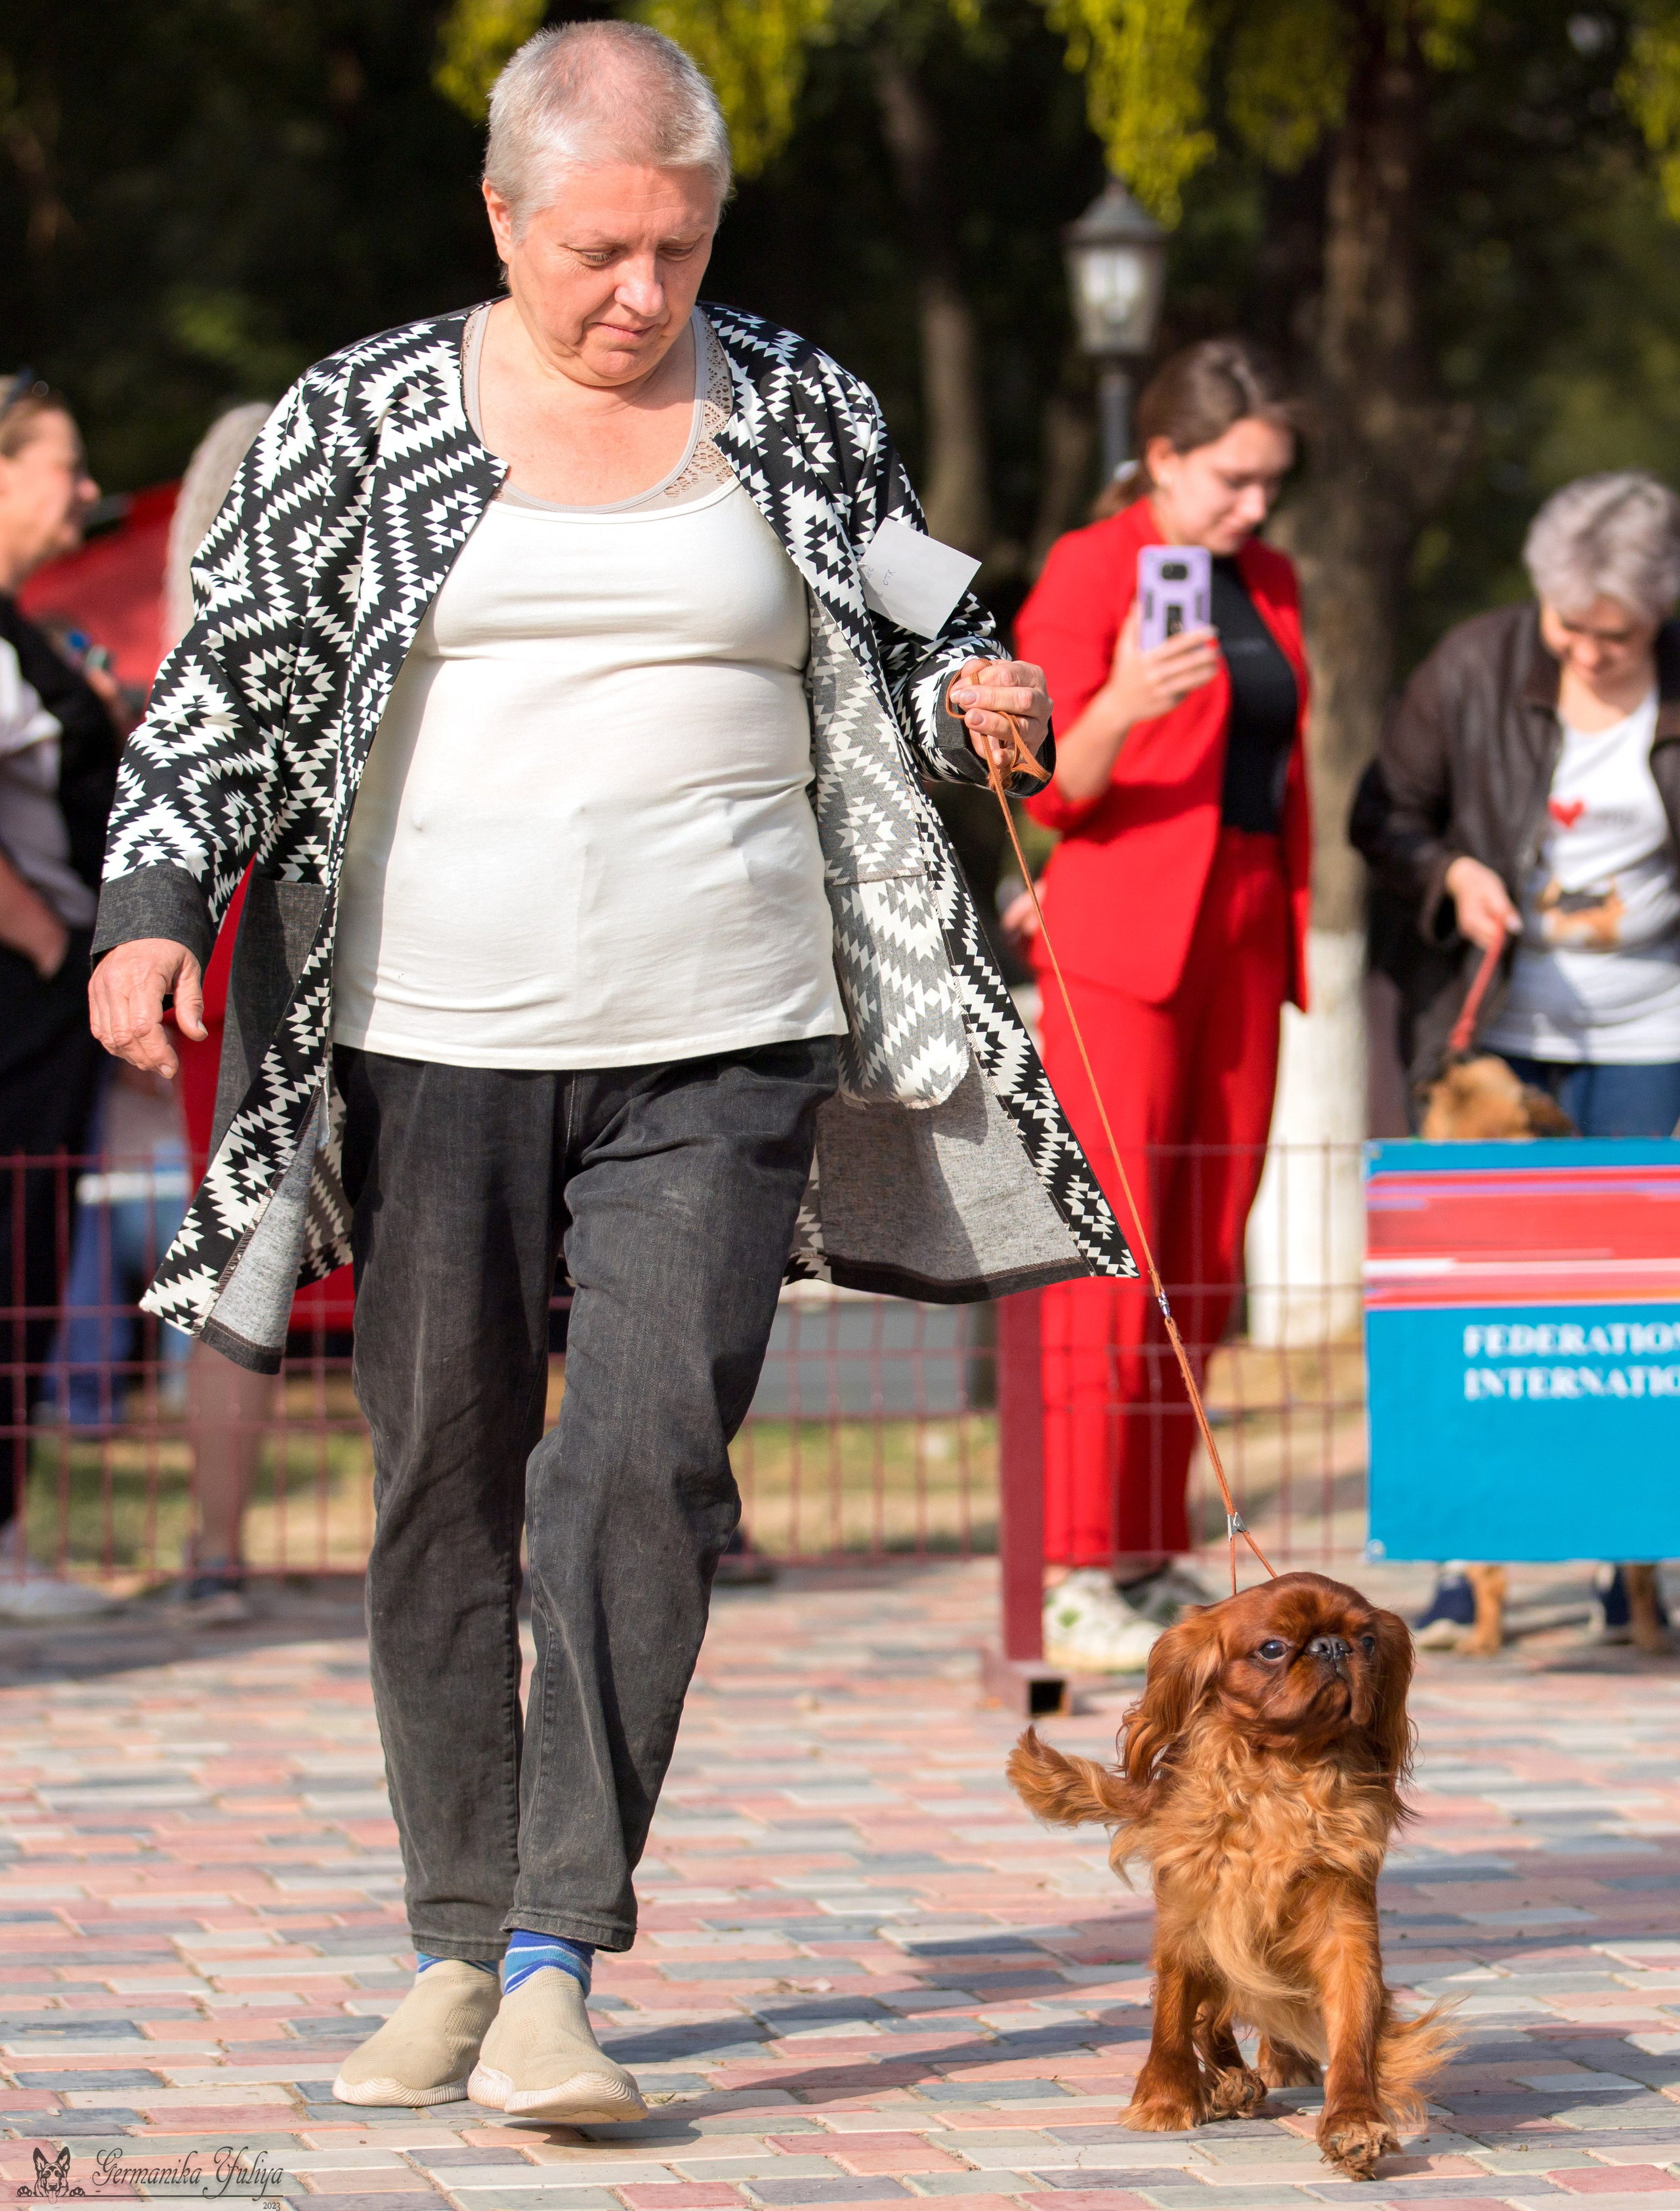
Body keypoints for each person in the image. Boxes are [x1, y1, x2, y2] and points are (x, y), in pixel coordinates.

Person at [87, 20, 1132, 2122]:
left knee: (646, 1464)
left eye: (677, 244)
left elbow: (925, 636)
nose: (640, 294)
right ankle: (449, 1939)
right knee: (440, 1478)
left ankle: (562, 1949)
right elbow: (226, 679)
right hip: (426, 1039)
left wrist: (983, 696)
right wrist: (150, 901)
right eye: (595, 251)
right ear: (501, 217)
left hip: (727, 1036)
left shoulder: (803, 407)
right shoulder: (359, 419)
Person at [1011, 339, 1311, 1672]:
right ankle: (1069, 1562)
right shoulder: (1089, 567)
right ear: (1168, 458)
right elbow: (1040, 785)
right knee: (1105, 1257)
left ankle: (1140, 1541)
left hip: (1244, 931)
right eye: (1233, 481)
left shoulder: (1274, 578)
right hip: (1122, 941)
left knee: (1200, 1257)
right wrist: (1124, 702)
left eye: (1269, 483)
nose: (1253, 508)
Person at [1353, 467, 1680, 1649]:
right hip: (1493, 1031)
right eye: (1573, 629)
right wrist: (1452, 873)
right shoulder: (1473, 666)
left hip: (1653, 1032)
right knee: (1476, 1308)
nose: (1595, 652)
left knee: (1625, 1317)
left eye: (1623, 634)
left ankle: (1626, 1559)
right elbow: (1381, 812)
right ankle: (1459, 1558)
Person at [0, 373, 122, 1621]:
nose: (85, 492)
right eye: (63, 465)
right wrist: (42, 938)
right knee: (12, 1254)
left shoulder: (22, 626)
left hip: (38, 1003)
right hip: (17, 1001)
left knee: (31, 1253)